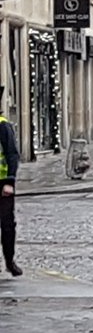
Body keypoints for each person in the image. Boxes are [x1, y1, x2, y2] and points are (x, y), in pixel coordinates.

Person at [1, 110, 21, 277]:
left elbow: (12, 154)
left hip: (2, 183)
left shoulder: (3, 126)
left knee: (7, 225)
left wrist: (10, 181)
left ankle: (9, 261)